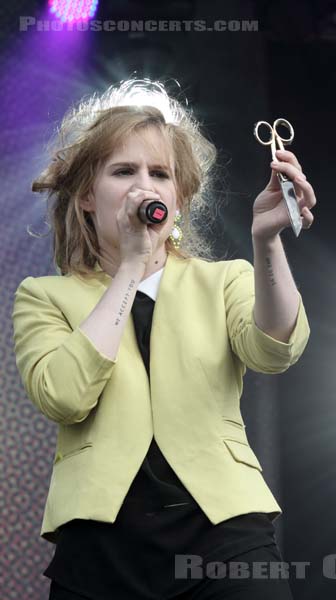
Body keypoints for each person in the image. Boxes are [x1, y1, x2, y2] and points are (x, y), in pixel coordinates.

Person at [12, 78, 316, 600]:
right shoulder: (44, 295)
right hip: (100, 553)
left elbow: (275, 349)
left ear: (179, 197)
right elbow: (62, 395)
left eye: (160, 174)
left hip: (226, 538)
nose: (144, 186)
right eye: (124, 171)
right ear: (87, 195)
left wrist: (266, 242)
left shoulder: (223, 279)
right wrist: (130, 264)